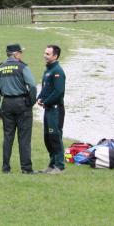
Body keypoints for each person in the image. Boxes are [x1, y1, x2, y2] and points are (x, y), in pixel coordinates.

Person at [0, 43, 38, 174]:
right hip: (22, 104)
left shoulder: (0, 68)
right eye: (20, 52)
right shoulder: (22, 66)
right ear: (16, 54)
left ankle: (5, 167)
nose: (21, 54)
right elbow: (32, 86)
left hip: (6, 104)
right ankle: (26, 168)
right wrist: (31, 102)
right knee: (24, 137)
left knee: (8, 137)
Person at [37, 44, 67, 174]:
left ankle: (59, 166)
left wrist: (46, 102)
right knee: (47, 138)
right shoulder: (47, 71)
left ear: (55, 56)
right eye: (45, 53)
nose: (45, 55)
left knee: (55, 137)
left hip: (55, 109)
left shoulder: (58, 72)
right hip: (48, 109)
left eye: (48, 54)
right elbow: (46, 88)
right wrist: (39, 97)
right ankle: (51, 164)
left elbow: (58, 92)